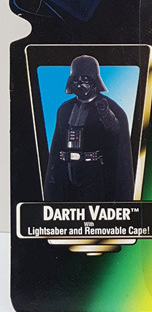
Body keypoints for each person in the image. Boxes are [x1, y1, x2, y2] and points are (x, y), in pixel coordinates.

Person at [44, 55, 134, 202]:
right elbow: (56, 146)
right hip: (67, 175)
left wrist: (106, 115)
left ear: (95, 81)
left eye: (85, 79)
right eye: (76, 79)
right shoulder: (64, 109)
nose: (80, 84)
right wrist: (52, 181)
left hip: (96, 176)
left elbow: (116, 132)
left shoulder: (110, 107)